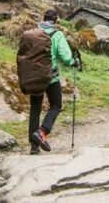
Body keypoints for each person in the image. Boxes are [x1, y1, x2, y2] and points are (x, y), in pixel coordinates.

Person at [29, 8, 80, 154]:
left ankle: (34, 147)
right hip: (51, 77)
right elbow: (65, 56)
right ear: (56, 20)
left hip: (34, 76)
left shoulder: (33, 33)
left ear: (43, 18)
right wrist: (73, 62)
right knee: (56, 104)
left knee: (35, 109)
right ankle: (42, 132)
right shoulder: (57, 35)